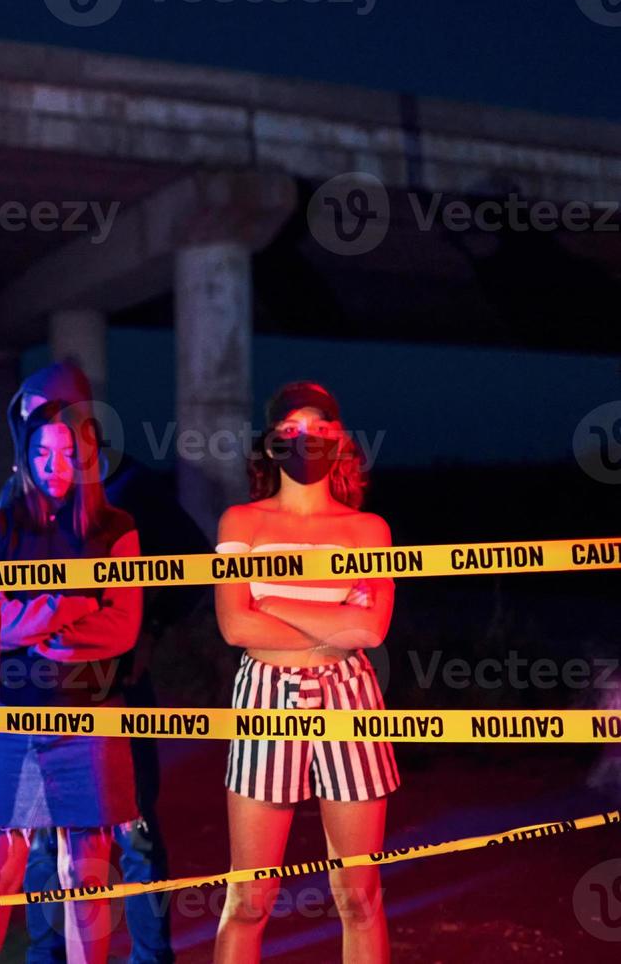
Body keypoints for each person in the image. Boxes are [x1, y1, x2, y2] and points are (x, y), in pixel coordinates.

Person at [212, 381, 398, 964]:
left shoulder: (369, 530)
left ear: (340, 440)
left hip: (351, 697)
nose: (306, 440)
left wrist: (273, 603)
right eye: (291, 430)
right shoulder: (241, 522)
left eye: (319, 429)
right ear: (269, 444)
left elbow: (369, 633)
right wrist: (335, 615)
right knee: (248, 896)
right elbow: (235, 628)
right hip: (264, 694)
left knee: (360, 895)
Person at [0, 361, 176, 964]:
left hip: (113, 693)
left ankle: (153, 956)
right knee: (45, 846)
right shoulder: (12, 500)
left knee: (136, 832)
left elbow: (187, 569)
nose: (41, 434)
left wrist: (147, 631)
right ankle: (47, 954)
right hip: (34, 698)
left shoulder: (133, 491)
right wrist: (65, 615)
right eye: (28, 421)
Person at [0, 399, 142, 964]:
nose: (54, 465)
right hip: (12, 718)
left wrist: (35, 625)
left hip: (92, 718)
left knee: (87, 873)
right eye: (41, 452)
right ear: (24, 458)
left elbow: (122, 627)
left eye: (67, 453)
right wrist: (70, 603)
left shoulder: (116, 528)